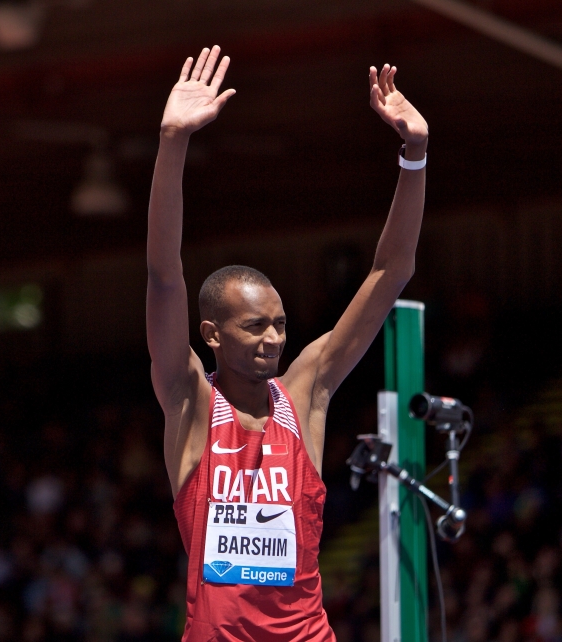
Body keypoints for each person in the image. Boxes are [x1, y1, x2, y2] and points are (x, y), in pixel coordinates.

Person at [146, 45, 428, 641]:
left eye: (279, 324)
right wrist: (173, 143)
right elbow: (165, 274)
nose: (273, 339)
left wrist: (414, 155)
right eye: (255, 327)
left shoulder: (305, 395)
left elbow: (390, 272)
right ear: (211, 335)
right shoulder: (188, 398)